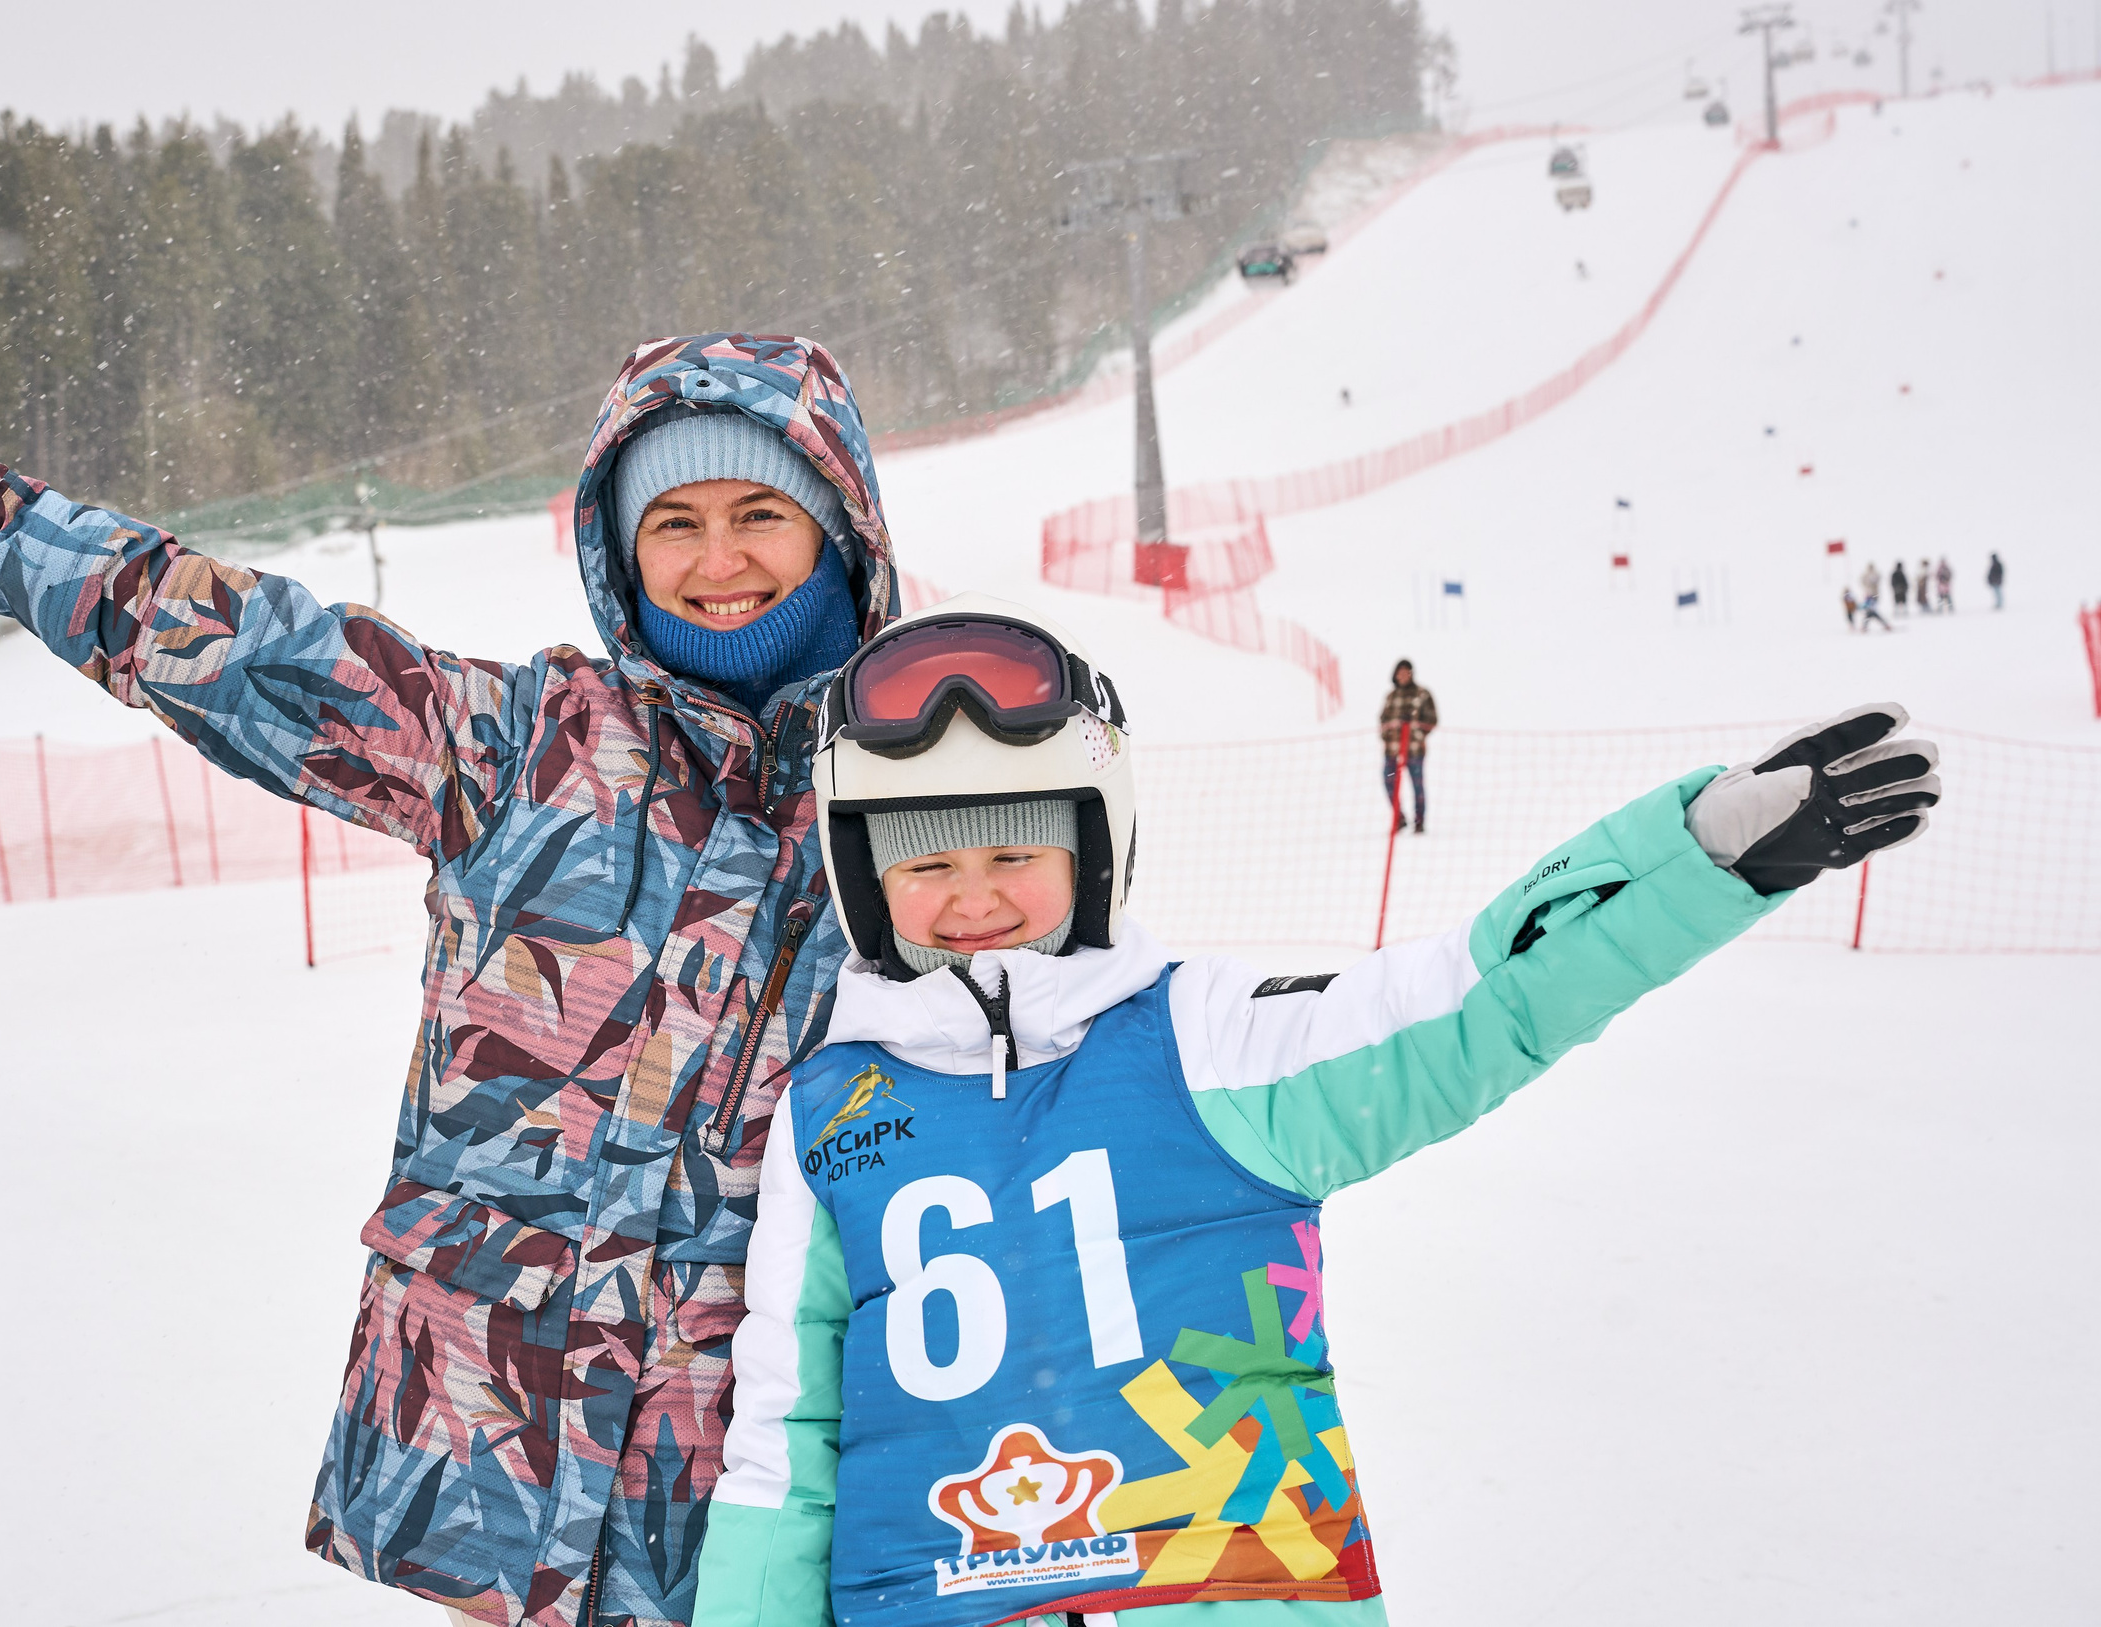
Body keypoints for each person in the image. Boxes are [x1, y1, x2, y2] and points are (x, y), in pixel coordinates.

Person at [0, 332, 899, 1627]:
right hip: (501, 1466)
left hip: (764, 1505)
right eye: (676, 519)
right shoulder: (519, 745)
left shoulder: (911, 796)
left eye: (760, 511)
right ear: (620, 546)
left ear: (838, 528)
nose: (717, 561)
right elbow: (247, 649)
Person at [696, 594, 1941, 1626]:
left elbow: (1470, 1005)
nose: (973, 897)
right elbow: (783, 1442)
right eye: (925, 861)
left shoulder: (1210, 1038)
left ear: (1092, 846)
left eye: (1016, 849)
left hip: (1229, 1587)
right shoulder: (828, 1115)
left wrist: (1696, 860)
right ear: (866, 874)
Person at [1377, 660, 1434, 833]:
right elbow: (1383, 721)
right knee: (1389, 781)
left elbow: (1432, 720)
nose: (1402, 675)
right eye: (1399, 672)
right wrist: (1388, 734)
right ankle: (1399, 817)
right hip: (1392, 751)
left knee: (1417, 785)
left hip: (1414, 751)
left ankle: (1419, 821)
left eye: (1406, 672)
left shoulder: (1422, 695)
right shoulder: (1391, 697)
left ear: (1411, 673)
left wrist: (1416, 728)